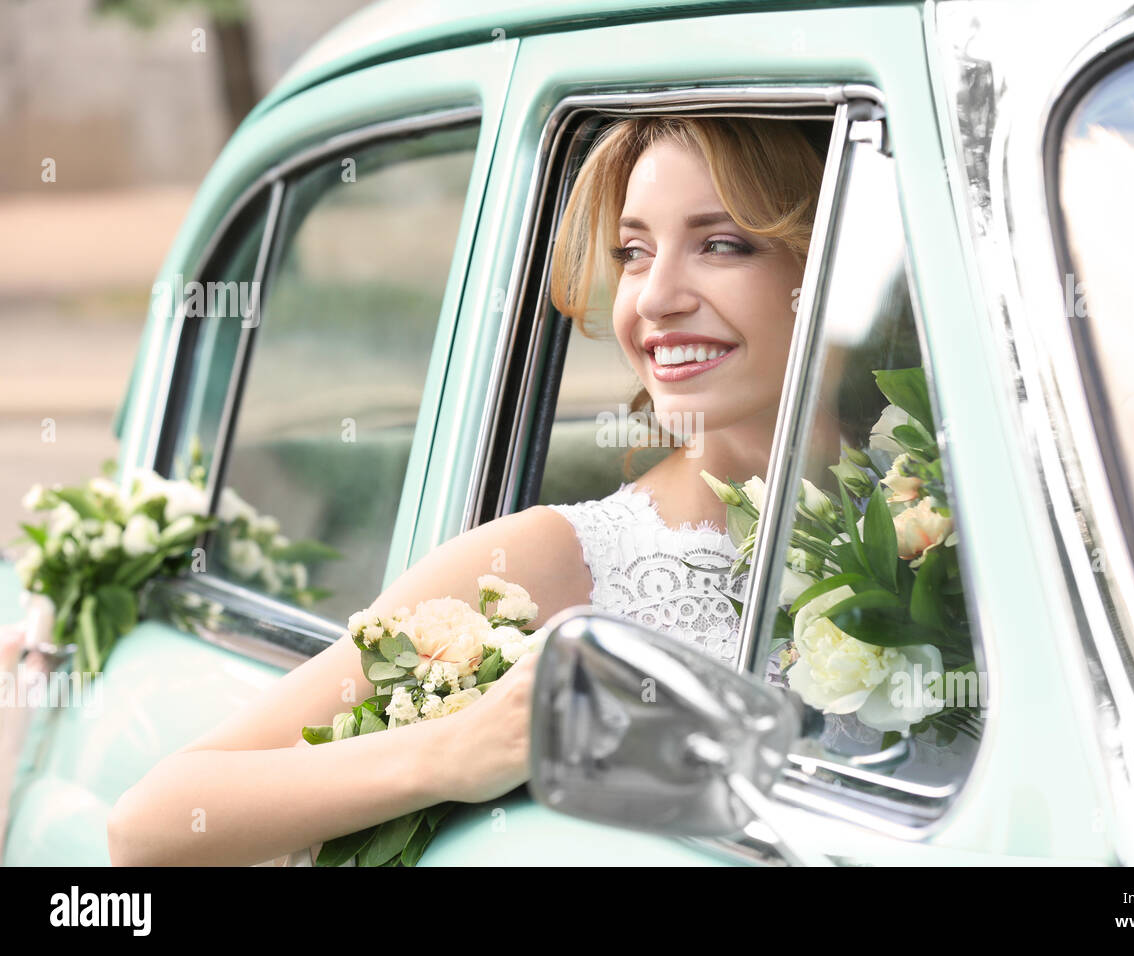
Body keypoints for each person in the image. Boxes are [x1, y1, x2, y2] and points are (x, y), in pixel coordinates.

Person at [105, 115, 827, 866]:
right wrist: (451, 750)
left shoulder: (939, 521)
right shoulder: (553, 558)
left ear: (834, 272)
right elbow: (153, 821)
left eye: (720, 244)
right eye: (635, 252)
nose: (654, 298)